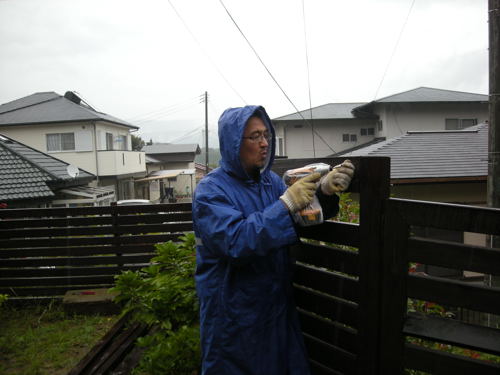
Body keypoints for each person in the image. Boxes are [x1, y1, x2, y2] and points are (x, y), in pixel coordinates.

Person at [192, 105, 354, 375]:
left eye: (266, 134)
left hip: (275, 310)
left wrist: (324, 191)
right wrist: (286, 204)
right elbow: (237, 242)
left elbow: (302, 217)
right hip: (233, 318)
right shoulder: (211, 191)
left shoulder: (270, 183)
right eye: (254, 137)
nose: (265, 143)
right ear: (234, 144)